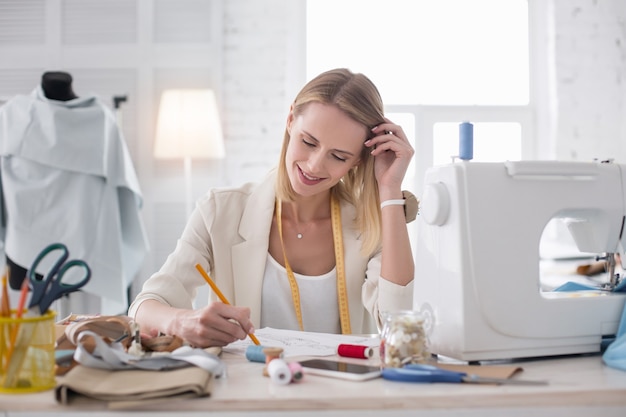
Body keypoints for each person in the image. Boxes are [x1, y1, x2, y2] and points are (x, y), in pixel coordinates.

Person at [129, 68, 418, 347]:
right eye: (309, 142)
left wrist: (389, 189)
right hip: (247, 390)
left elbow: (396, 323)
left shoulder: (372, 223)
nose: (315, 165)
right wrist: (183, 322)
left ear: (357, 161)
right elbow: (144, 307)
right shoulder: (220, 211)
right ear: (291, 119)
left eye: (339, 157)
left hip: (339, 393)